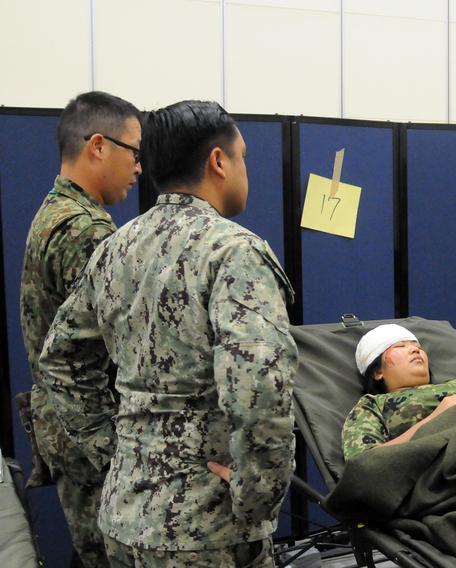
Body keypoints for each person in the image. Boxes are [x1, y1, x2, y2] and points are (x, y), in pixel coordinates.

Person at [37, 100, 297, 566]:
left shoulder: (116, 248)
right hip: (207, 529)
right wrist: (255, 501)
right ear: (218, 161)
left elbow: (60, 359)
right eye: (243, 156)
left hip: (123, 515)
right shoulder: (234, 252)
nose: (245, 169)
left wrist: (112, 450)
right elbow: (261, 386)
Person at [19, 90, 141, 566]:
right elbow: (120, 349)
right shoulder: (86, 231)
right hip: (94, 437)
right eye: (133, 151)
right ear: (98, 145)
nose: (138, 167)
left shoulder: (53, 214)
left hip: (70, 432)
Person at [342, 324, 456, 460]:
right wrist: (438, 419)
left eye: (417, 346)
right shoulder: (373, 406)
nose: (415, 349)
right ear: (377, 371)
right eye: (400, 346)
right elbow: (363, 462)